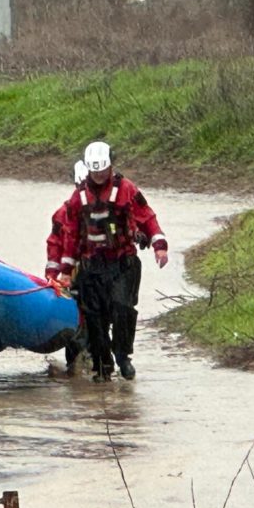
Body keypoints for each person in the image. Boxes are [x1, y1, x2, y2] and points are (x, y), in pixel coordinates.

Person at [58, 141, 168, 383]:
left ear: (110, 166)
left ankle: (123, 357)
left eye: (102, 171)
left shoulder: (126, 189)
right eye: (94, 171)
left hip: (122, 264)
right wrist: (65, 271)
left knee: (122, 308)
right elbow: (71, 235)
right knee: (94, 319)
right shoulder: (78, 198)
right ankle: (102, 368)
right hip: (91, 268)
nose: (99, 176)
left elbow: (147, 217)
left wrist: (159, 246)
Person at [45, 160, 89, 375]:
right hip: (72, 274)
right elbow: (55, 245)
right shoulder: (62, 214)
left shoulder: (109, 207)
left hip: (98, 271)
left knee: (99, 315)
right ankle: (77, 364)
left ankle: (94, 361)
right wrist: (52, 276)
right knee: (77, 317)